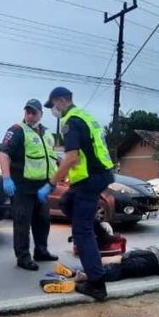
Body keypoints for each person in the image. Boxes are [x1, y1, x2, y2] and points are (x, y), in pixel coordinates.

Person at [40, 87, 115, 301]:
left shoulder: (71, 122)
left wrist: (51, 183)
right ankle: (100, 234)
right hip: (99, 175)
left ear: (62, 101)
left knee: (82, 232)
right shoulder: (86, 117)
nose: (53, 110)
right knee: (66, 203)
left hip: (88, 180)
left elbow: (72, 158)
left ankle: (97, 284)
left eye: (53, 105)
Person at [0, 99, 58, 271]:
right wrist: (6, 178)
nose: (30, 115)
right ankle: (23, 257)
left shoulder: (47, 134)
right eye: (28, 112)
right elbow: (3, 155)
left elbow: (50, 158)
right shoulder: (17, 130)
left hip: (41, 188)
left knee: (43, 221)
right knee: (22, 222)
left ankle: (41, 251)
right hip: (22, 187)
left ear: (41, 114)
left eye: (34, 112)